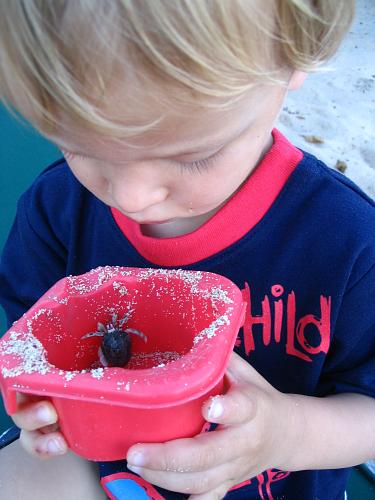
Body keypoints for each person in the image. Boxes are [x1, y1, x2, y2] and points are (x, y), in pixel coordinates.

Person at [0, 1, 374, 499]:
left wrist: (285, 433)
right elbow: (23, 342)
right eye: (81, 147)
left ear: (292, 60)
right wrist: (39, 405)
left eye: (194, 156)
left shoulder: (347, 243)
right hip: (106, 467)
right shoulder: (57, 209)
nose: (131, 197)